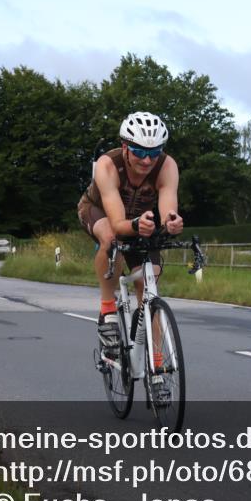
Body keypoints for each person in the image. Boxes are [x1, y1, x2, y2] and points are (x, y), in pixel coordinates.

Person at [77, 112, 184, 350]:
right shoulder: (108, 165)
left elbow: (168, 209)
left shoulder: (167, 166)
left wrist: (171, 222)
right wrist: (135, 225)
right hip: (99, 212)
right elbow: (117, 224)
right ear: (125, 147)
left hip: (139, 220)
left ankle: (156, 367)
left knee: (150, 282)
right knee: (111, 238)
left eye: (154, 153)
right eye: (140, 152)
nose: (147, 161)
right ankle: (107, 309)